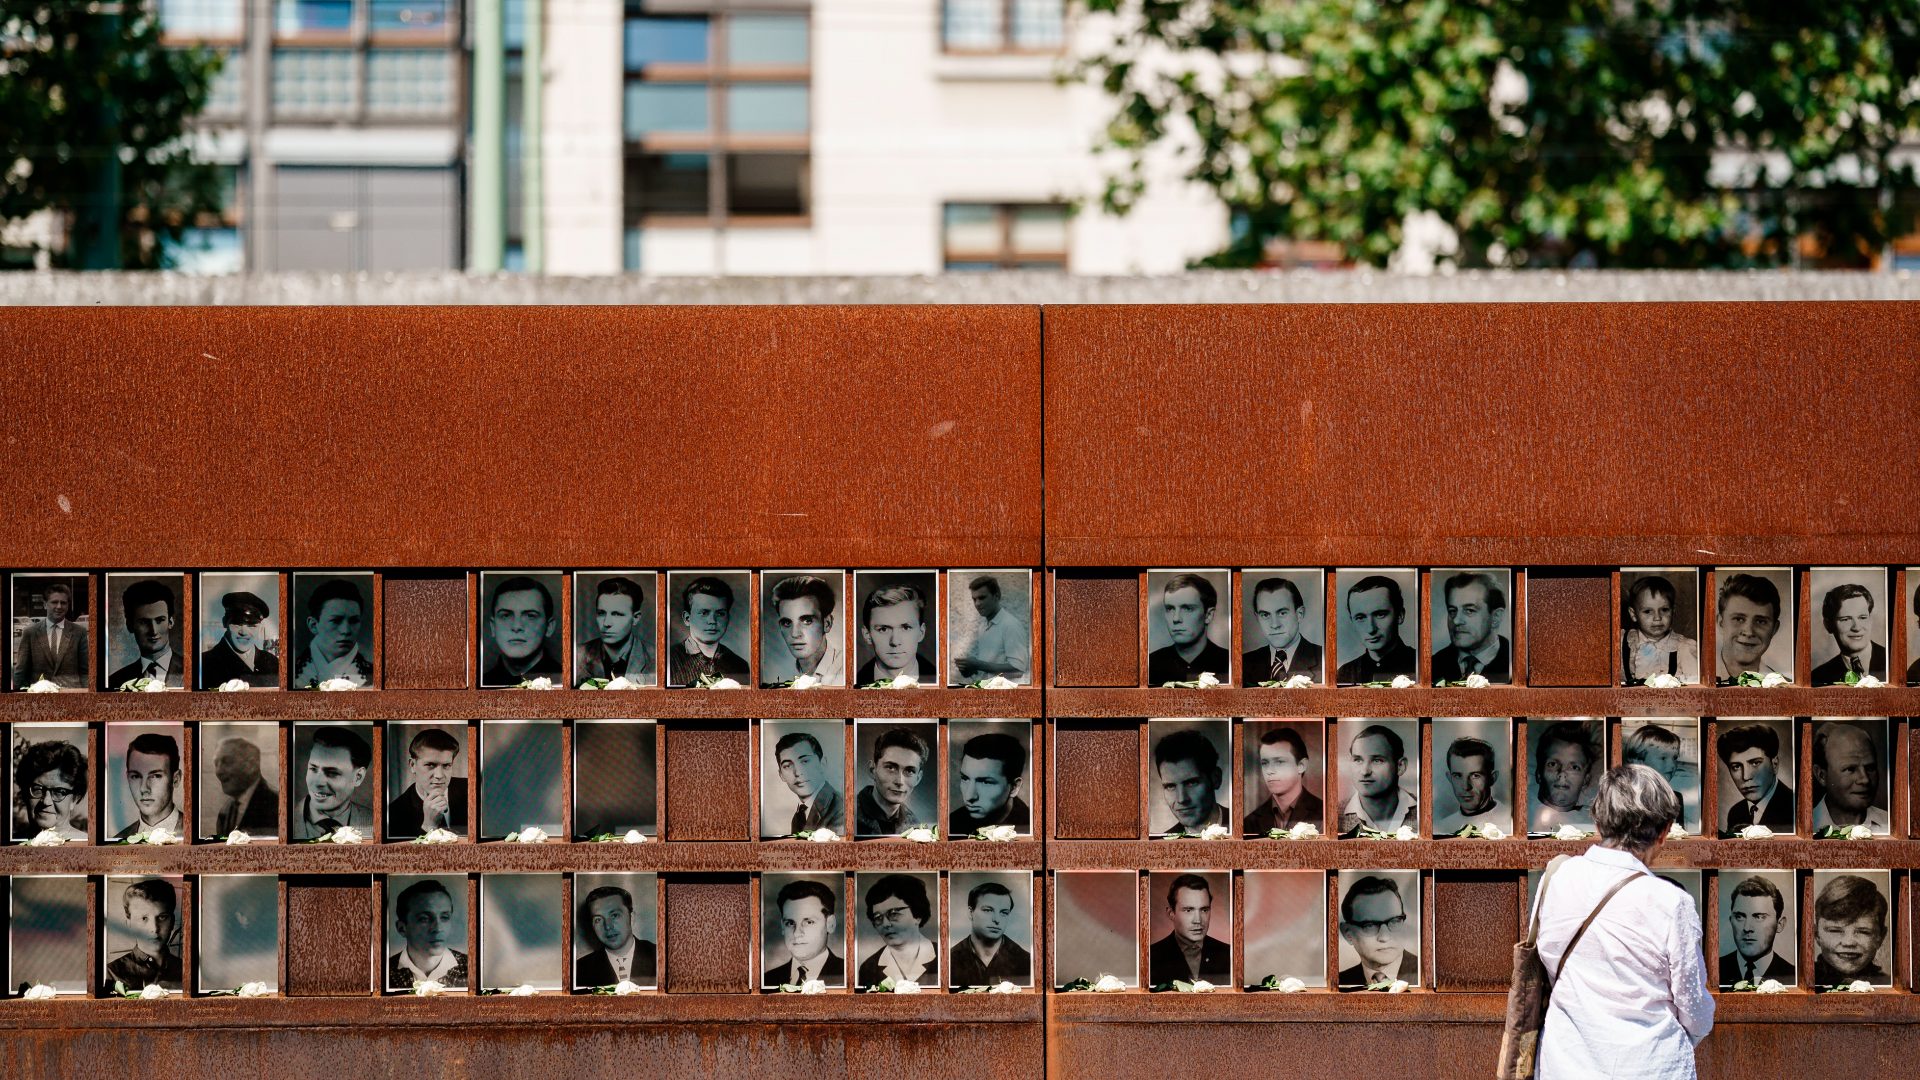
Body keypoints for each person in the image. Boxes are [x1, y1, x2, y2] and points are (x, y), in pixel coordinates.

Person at [1531, 764, 1712, 1076]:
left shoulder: (1558, 877)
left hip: (1566, 1062)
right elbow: (1693, 1008)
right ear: (1665, 831)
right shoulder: (1672, 903)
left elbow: (1547, 961)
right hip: (1649, 1064)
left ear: (1598, 821)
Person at [1337, 875, 1419, 989]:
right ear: (1348, 934)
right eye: (1370, 925)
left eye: (1394, 921)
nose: (1384, 937)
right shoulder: (1340, 982)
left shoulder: (1425, 975)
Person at [1147, 573, 1230, 685]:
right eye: (1170, 609)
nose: (1176, 619)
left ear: (1208, 615)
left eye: (1187, 609)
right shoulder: (1150, 665)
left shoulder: (1229, 664)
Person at [1148, 874, 1231, 984]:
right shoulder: (1151, 957)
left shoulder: (1228, 954)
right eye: (1188, 910)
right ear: (1171, 913)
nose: (1198, 920)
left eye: (1204, 910)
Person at [386, 727, 467, 837]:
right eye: (430, 765)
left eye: (446, 765)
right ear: (412, 765)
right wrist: (429, 826)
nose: (439, 775)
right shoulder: (393, 814)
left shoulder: (474, 790)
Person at [856, 875, 936, 987]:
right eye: (878, 917)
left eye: (894, 914)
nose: (885, 924)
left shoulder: (945, 957)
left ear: (917, 915)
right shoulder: (869, 968)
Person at [1430, 572, 1511, 683]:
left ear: (1495, 617)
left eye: (1469, 610)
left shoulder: (1517, 662)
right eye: (1452, 611)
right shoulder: (1433, 664)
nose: (1456, 620)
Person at [1240, 576, 1321, 686]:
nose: (1274, 625)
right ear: (1257, 617)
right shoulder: (1243, 663)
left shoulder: (1324, 660)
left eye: (1282, 613)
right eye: (1265, 615)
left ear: (1299, 614)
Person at [765, 575, 844, 687]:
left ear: (827, 623)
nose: (795, 634)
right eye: (787, 623)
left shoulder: (847, 670)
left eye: (807, 621)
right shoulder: (780, 675)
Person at [387, 879, 467, 989]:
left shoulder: (472, 968)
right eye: (424, 919)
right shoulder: (384, 972)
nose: (438, 928)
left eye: (444, 917)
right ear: (402, 928)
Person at [1241, 725, 1322, 834]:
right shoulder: (1249, 822)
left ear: (1301, 765)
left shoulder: (1325, 813)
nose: (1269, 771)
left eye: (1279, 762)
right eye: (1264, 763)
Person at [949, 881, 1032, 987]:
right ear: (971, 913)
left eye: (1003, 912)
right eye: (988, 910)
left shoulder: (1025, 961)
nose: (996, 920)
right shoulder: (950, 960)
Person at [575, 576, 654, 687]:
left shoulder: (656, 658)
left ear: (635, 618)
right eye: (601, 613)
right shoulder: (576, 657)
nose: (607, 623)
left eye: (617, 614)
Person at [1335, 574, 1415, 684]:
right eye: (1360, 617)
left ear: (1400, 615)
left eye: (1380, 615)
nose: (1371, 629)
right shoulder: (1345, 674)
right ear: (1352, 621)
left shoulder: (1423, 665)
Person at [294, 726, 371, 839]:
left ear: (358, 777)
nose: (317, 782)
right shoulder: (280, 821)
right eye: (313, 769)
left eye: (332, 773)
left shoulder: (377, 822)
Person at [483, 575, 561, 686]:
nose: (516, 626)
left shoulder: (566, 680)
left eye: (530, 616)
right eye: (505, 615)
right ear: (493, 627)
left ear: (549, 627)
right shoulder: (481, 683)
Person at [1620, 575, 1700, 685]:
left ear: (1673, 611)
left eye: (1664, 610)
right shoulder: (1622, 643)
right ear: (1633, 614)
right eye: (1648, 611)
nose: (1657, 618)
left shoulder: (1684, 648)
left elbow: (1696, 690)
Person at [294, 578, 373, 688]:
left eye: (354, 621)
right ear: (313, 625)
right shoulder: (291, 673)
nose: (346, 630)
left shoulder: (374, 675)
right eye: (336, 621)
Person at [1811, 874, 1889, 986]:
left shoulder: (1887, 984)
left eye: (1863, 932)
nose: (1848, 943)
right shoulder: (1799, 980)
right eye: (1835, 931)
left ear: (1880, 937)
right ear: (1817, 934)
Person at [106, 879, 182, 991]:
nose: (154, 929)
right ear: (129, 924)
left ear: (172, 921)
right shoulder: (111, 974)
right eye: (144, 918)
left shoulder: (187, 969)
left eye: (162, 917)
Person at [1338, 724, 1415, 835]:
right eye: (1358, 760)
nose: (1365, 772)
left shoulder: (1424, 811)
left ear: (1400, 766)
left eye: (1377, 760)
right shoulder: (1334, 814)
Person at [764, 879, 843, 986]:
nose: (796, 933)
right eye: (790, 923)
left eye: (809, 922)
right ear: (782, 926)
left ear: (830, 924)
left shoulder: (848, 974)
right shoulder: (768, 979)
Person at [671, 576, 749, 686]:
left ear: (728, 618)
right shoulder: (669, 660)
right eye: (704, 613)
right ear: (687, 618)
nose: (712, 621)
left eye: (720, 613)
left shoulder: (739, 665)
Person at [1811, 722, 1887, 833]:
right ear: (1821, 776)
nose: (1865, 779)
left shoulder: (1890, 823)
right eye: (1850, 769)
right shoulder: (1805, 825)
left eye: (1870, 768)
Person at [952, 575, 1030, 684]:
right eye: (974, 599)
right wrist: (970, 669)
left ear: (996, 596)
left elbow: (1018, 670)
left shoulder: (1011, 625)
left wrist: (977, 664)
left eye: (982, 598)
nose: (977, 604)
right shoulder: (983, 626)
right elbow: (988, 669)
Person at [1717, 875, 1794, 986]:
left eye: (1759, 917)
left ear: (1780, 924)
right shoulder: (1711, 971)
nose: (1747, 928)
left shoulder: (1792, 976)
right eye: (1739, 916)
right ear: (1731, 921)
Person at [574, 885, 656, 987]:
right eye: (598, 919)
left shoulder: (659, 956)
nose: (608, 926)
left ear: (632, 917)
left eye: (614, 915)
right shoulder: (579, 970)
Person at [855, 727, 931, 836]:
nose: (899, 781)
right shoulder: (845, 814)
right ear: (872, 770)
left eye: (909, 771)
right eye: (891, 768)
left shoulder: (916, 827)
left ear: (918, 778)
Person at [949, 732, 1030, 834]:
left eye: (985, 782)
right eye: (965, 778)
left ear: (1014, 787)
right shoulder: (952, 824)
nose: (969, 796)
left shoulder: (1031, 827)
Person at [1718, 724, 1794, 831]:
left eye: (1755, 763)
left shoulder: (1796, 808)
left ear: (1774, 764)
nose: (1746, 776)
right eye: (1736, 766)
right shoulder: (1736, 813)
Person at [106, 578, 181, 688]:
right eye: (144, 622)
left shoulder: (196, 671)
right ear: (130, 625)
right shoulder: (115, 681)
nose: (153, 631)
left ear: (170, 622)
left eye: (160, 620)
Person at [1713, 573, 1786, 685]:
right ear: (1720, 623)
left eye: (1760, 621)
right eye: (1738, 619)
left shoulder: (1783, 686)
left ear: (1774, 629)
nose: (1749, 632)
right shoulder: (1693, 675)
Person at [1153, 728, 1229, 834]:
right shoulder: (1162, 843)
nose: (1181, 799)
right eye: (1170, 786)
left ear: (1216, 778)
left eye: (1191, 783)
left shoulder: (1248, 827)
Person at [856, 585, 936, 684]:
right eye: (883, 629)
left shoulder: (940, 681)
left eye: (906, 628)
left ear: (921, 632)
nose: (895, 641)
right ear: (867, 634)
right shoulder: (853, 684)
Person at [13, 580, 86, 688]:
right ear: (45, 604)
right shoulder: (30, 632)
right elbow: (21, 672)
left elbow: (86, 672)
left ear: (68, 605)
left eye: (63, 603)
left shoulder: (79, 632)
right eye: (54, 602)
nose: (59, 606)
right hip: (40, 697)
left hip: (71, 696)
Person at [198, 590, 278, 689]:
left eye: (251, 625)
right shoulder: (203, 664)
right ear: (225, 622)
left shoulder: (273, 663)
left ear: (259, 627)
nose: (243, 632)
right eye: (237, 623)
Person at [1810, 583, 1885, 685]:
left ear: (1870, 620)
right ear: (1828, 625)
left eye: (1862, 617)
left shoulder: (1892, 662)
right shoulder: (1817, 677)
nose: (1856, 628)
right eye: (1845, 619)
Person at [112, 732, 183, 839]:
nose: (144, 788)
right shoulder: (119, 839)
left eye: (155, 776)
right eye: (136, 776)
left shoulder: (196, 833)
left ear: (176, 779)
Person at [1433, 735, 1509, 834]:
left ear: (1492, 778)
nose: (1466, 786)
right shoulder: (1441, 828)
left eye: (1475, 776)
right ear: (1450, 778)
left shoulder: (1509, 822)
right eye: (1458, 776)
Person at [1624, 724, 1694, 829]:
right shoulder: (1624, 797)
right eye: (1663, 758)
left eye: (1674, 758)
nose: (1672, 765)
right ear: (1638, 761)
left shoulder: (1675, 798)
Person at [14, 738, 87, 839]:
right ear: (25, 794)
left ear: (74, 800)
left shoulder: (88, 846)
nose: (46, 801)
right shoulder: (8, 845)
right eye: (37, 789)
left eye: (59, 792)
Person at [774, 730, 844, 835]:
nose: (797, 772)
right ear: (781, 775)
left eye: (805, 761)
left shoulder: (841, 809)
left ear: (822, 764)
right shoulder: (800, 814)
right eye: (788, 766)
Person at [1531, 722, 1598, 831]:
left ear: (1586, 780)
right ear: (1538, 774)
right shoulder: (1527, 816)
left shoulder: (1596, 821)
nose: (1562, 773)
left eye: (1574, 767)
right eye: (1553, 764)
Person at [212, 736, 278, 836]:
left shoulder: (277, 805)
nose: (218, 771)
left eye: (227, 762)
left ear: (251, 765)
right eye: (216, 764)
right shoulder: (225, 812)